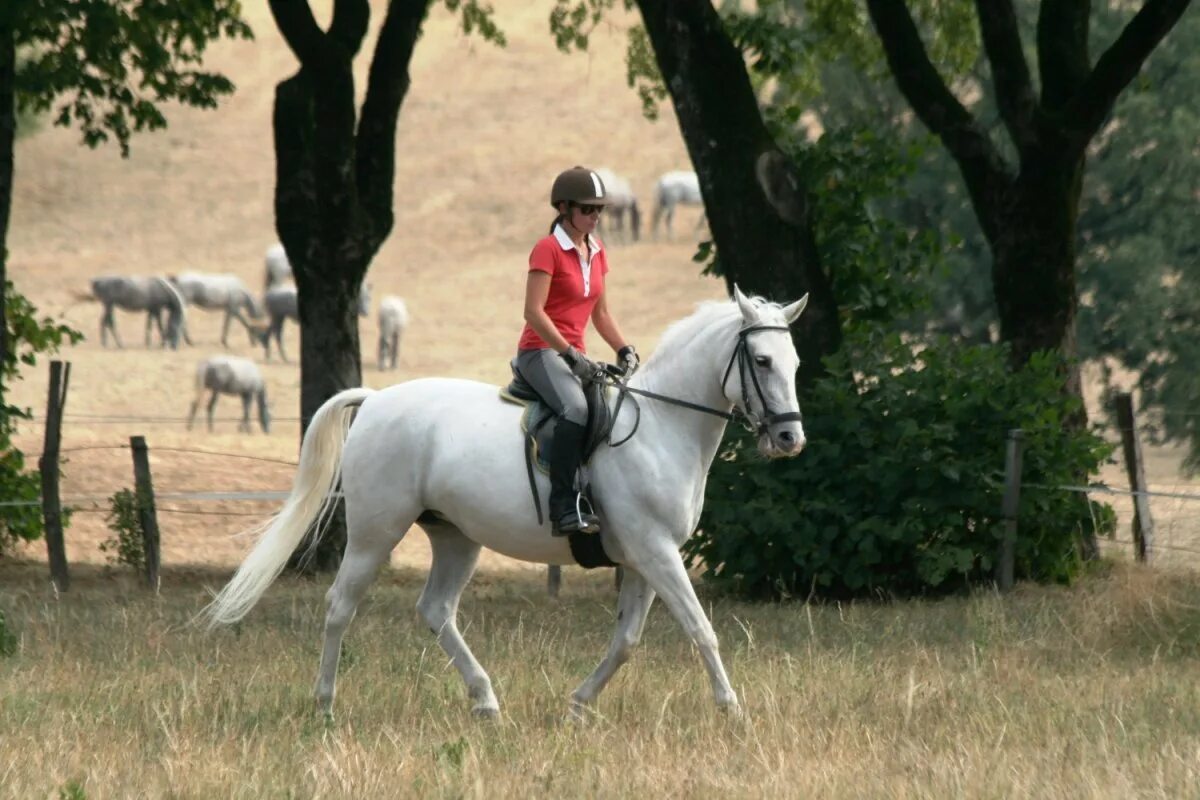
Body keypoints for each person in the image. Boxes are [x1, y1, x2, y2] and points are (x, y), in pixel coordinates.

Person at [515, 166, 640, 536]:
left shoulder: (597, 251)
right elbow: (533, 313)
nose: (596, 216)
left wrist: (624, 348)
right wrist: (569, 353)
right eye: (588, 209)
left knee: (610, 408)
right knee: (577, 409)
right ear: (565, 208)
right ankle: (563, 506)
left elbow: (600, 313)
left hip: (575, 355)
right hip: (539, 351)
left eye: (599, 209)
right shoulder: (548, 249)